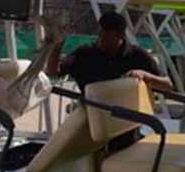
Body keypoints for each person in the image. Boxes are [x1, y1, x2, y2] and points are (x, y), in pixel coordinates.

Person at [47, 11, 172, 153]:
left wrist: (146, 76)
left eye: (106, 36)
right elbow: (53, 73)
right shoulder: (84, 54)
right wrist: (57, 47)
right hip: (90, 124)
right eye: (99, 35)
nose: (100, 40)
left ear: (120, 36)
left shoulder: (137, 56)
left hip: (125, 127)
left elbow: (167, 84)